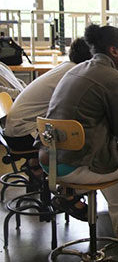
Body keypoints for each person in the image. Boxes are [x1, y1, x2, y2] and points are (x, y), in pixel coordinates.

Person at [38, 24, 118, 248]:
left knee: (114, 154)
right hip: (77, 163)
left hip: (52, 160)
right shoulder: (115, 79)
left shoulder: (77, 69)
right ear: (114, 51)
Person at [3, 38, 92, 204]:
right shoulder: (74, 74)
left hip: (15, 129)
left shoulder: (67, 68)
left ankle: (40, 171)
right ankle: (69, 194)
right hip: (23, 134)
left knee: (72, 133)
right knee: (79, 140)